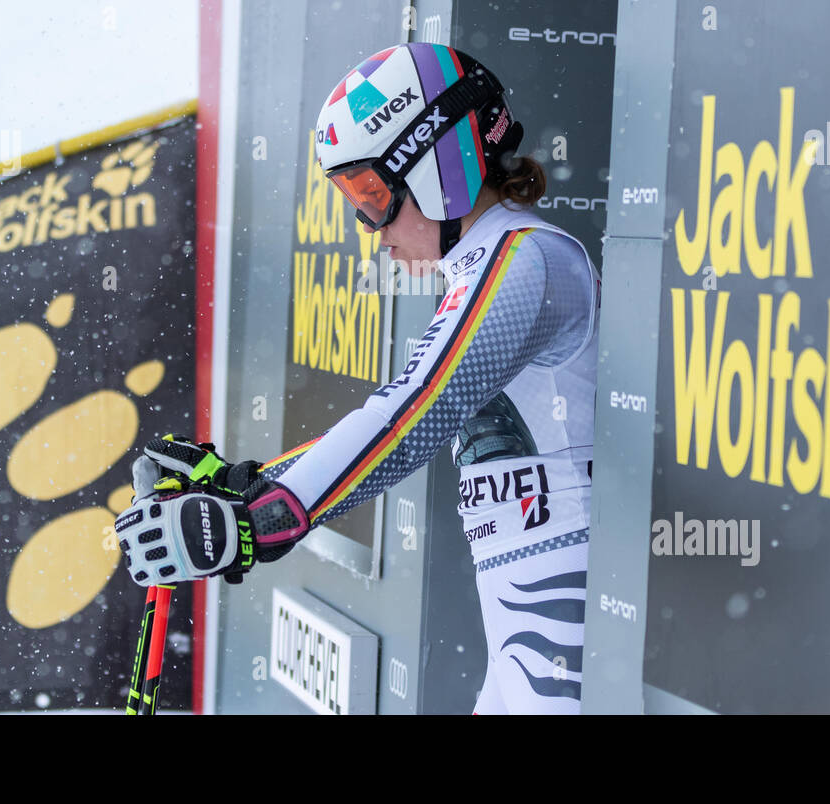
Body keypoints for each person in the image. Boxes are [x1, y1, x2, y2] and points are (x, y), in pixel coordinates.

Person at [114, 44, 600, 714]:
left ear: (437, 165)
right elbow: (401, 412)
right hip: (527, 675)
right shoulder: (486, 266)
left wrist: (256, 519)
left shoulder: (527, 262)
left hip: (566, 678)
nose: (368, 227)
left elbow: (414, 412)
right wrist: (238, 484)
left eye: (370, 195)